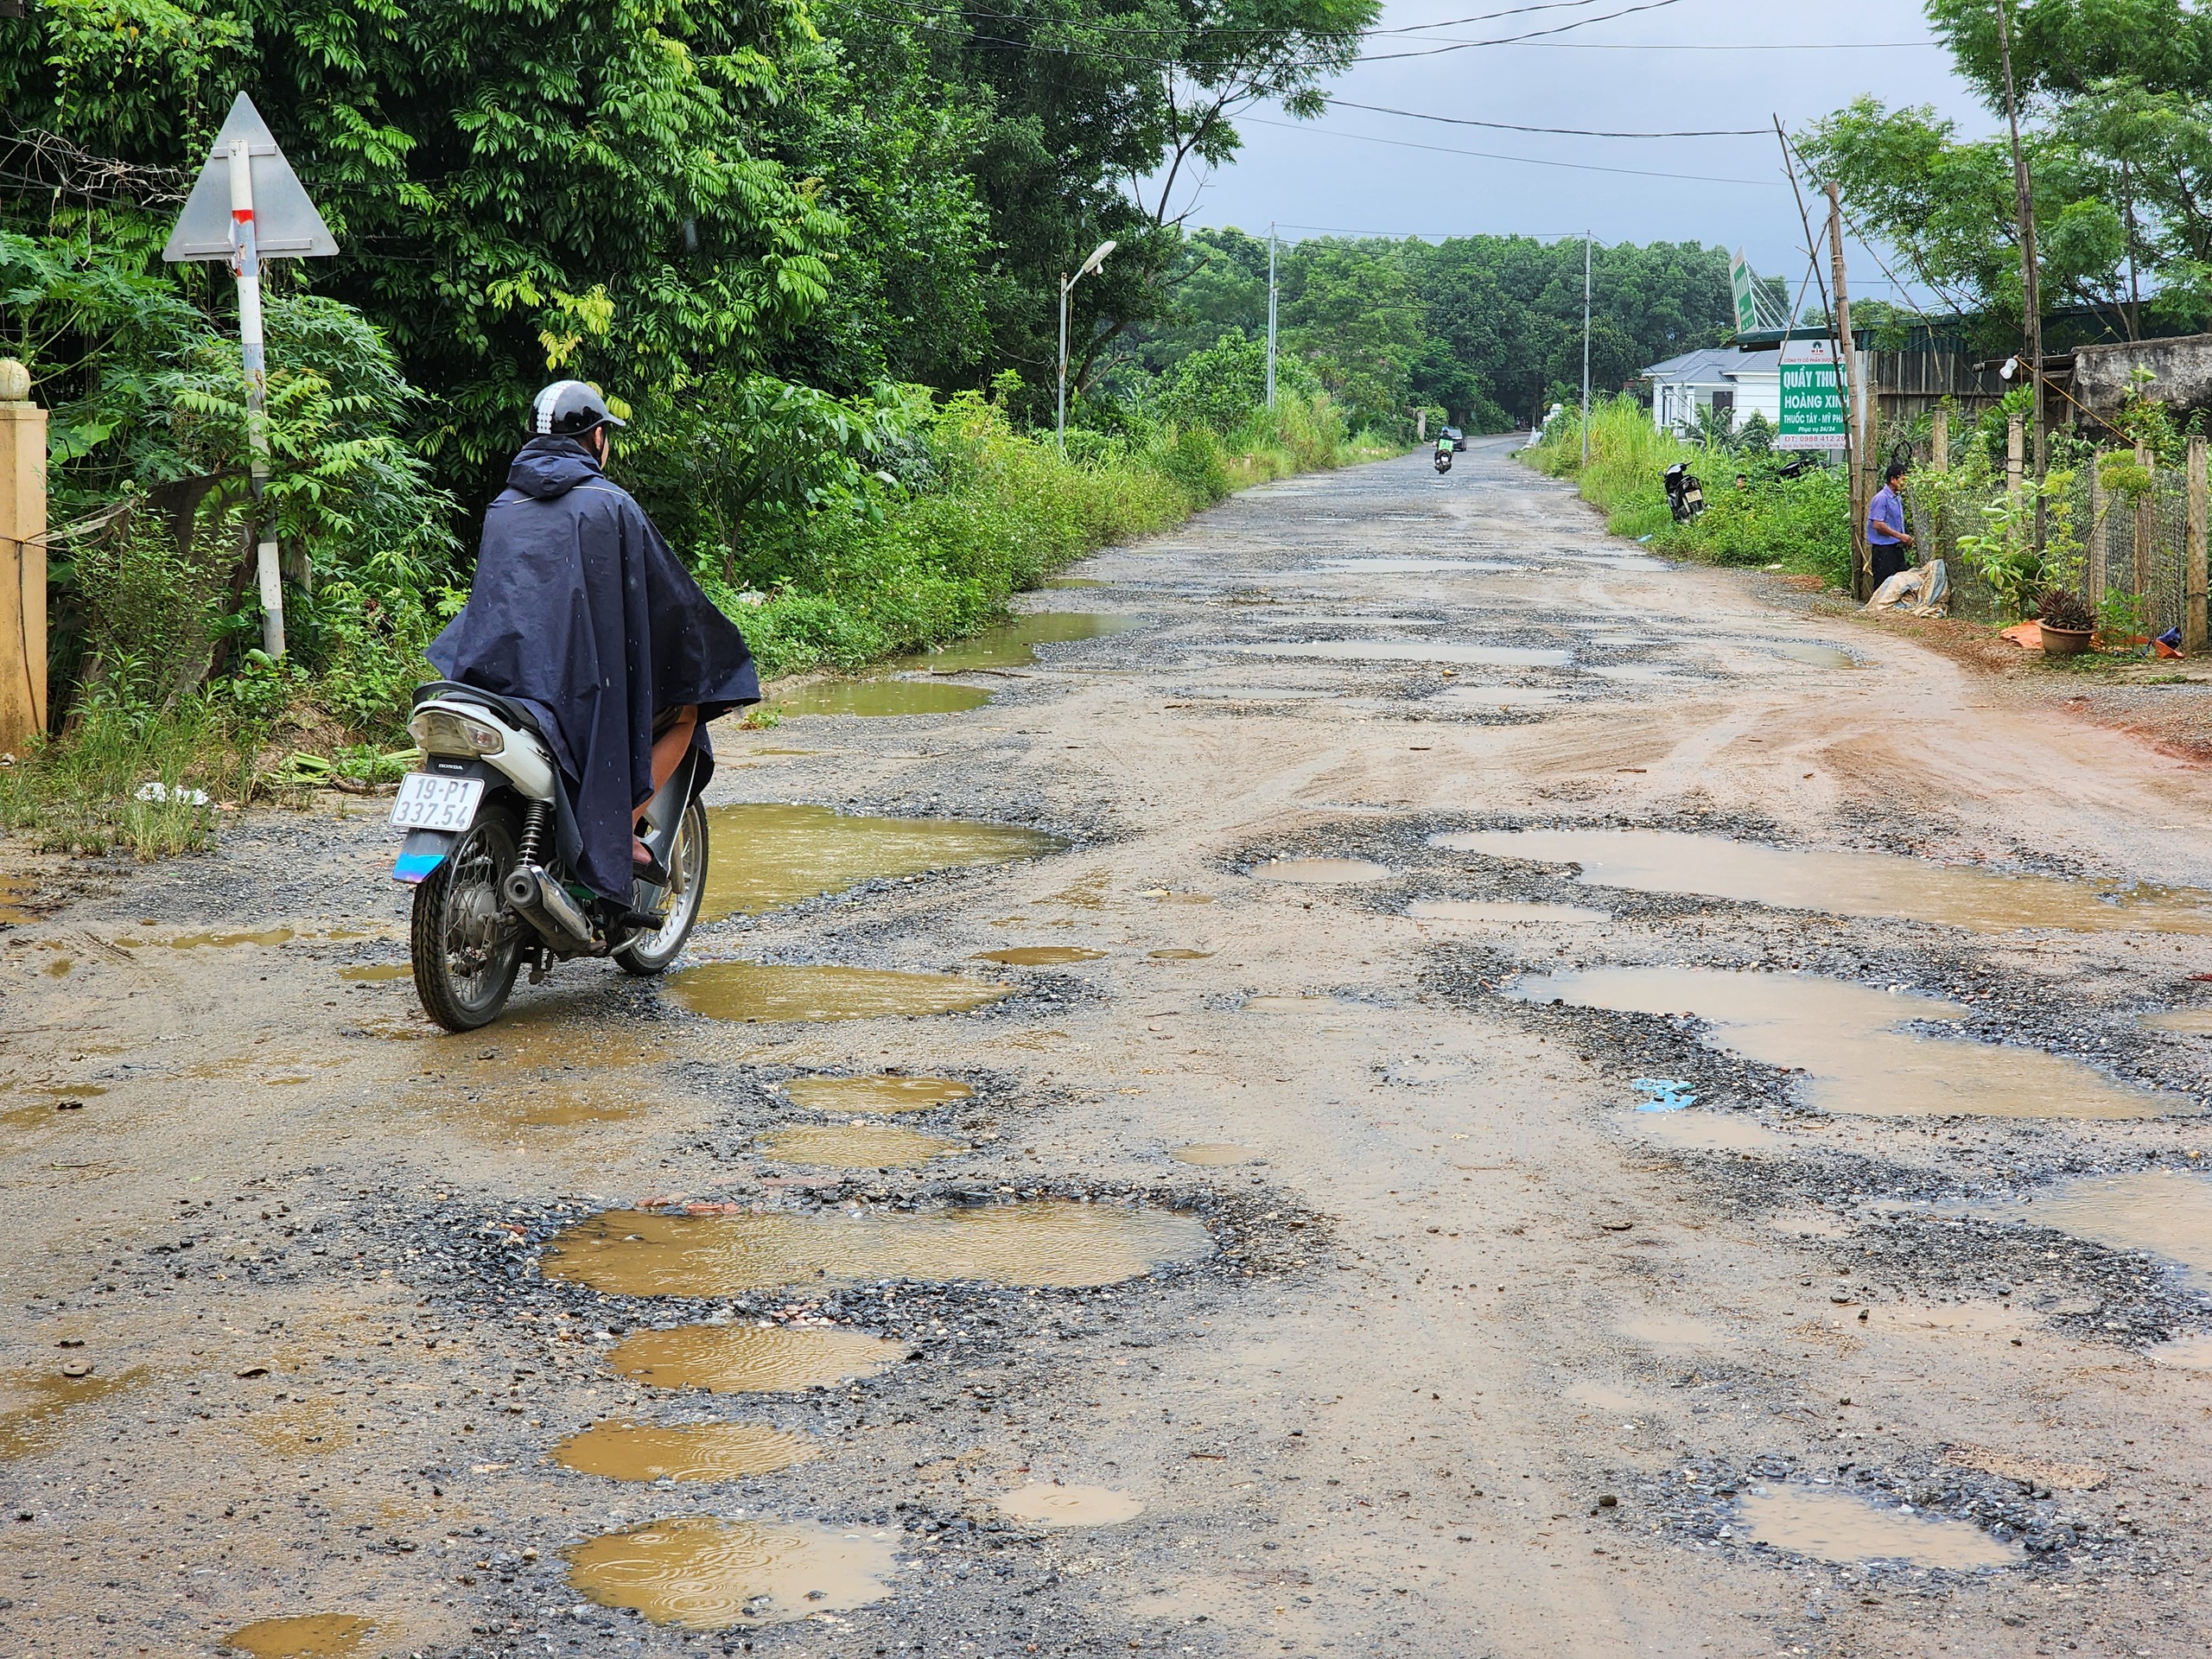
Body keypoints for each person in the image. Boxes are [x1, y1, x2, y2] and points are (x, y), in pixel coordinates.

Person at [428, 380, 760, 903]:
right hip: (576, 691)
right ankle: (616, 830)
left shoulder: (503, 507)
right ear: (597, 437)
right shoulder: (609, 504)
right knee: (686, 713)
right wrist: (713, 645)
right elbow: (666, 597)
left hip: (500, 680)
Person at [1866, 457, 1916, 588]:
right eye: (1902, 480)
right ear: (1893, 480)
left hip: (1896, 548)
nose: (1905, 483)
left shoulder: (1897, 497)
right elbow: (1878, 524)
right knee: (1883, 585)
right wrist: (1900, 536)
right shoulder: (1881, 498)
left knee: (1900, 585)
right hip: (1884, 550)